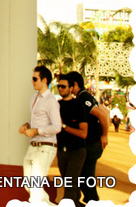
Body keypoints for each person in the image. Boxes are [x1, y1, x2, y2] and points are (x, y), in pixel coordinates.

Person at [18, 65, 61, 204]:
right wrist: (27, 125)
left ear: (44, 80)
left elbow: (57, 126)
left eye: (35, 78)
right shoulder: (34, 98)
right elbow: (37, 120)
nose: (32, 81)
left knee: (35, 188)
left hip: (46, 147)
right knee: (29, 185)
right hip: (34, 146)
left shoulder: (51, 101)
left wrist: (35, 131)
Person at [67, 71, 109, 204]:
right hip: (90, 144)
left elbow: (102, 115)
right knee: (84, 177)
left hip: (92, 144)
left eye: (67, 85)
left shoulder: (83, 98)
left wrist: (104, 136)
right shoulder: (83, 97)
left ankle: (93, 202)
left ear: (74, 84)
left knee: (84, 177)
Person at [56, 74, 87, 206]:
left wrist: (63, 126)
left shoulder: (78, 106)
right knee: (71, 190)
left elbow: (83, 133)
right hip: (61, 152)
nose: (60, 89)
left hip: (76, 152)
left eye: (63, 86)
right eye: (58, 86)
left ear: (71, 88)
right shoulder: (56, 106)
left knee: (69, 188)